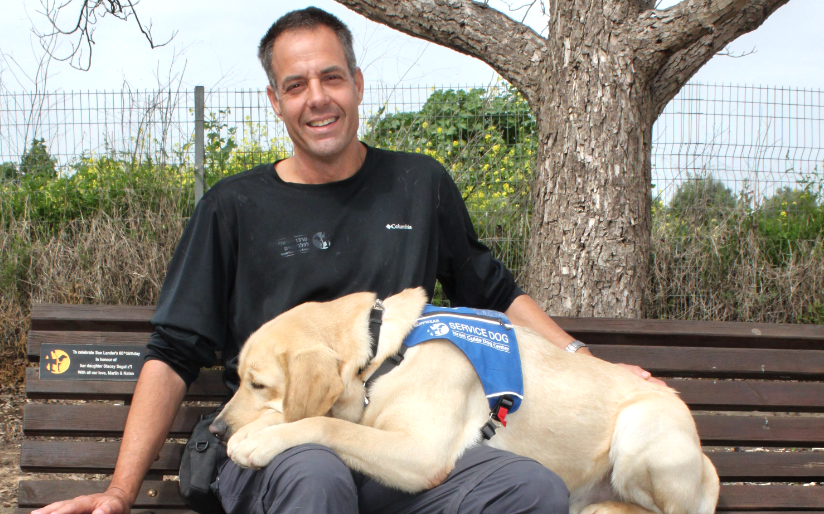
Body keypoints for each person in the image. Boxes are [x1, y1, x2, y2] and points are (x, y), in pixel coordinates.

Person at [33, 7, 662, 514]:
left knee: (533, 490)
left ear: (357, 85)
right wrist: (119, 492)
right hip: (278, 452)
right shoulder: (233, 207)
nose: (318, 98)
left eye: (332, 77)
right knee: (318, 475)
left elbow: (492, 292)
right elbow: (172, 353)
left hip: (398, 445)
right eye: (296, 85)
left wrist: (592, 364)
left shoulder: (419, 184)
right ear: (275, 101)